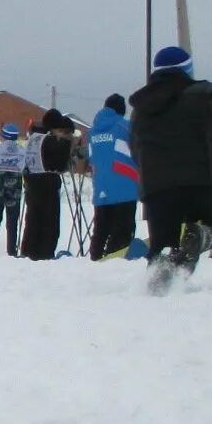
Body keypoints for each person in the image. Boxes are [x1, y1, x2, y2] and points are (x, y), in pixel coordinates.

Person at [128, 47, 212, 286]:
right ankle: (203, 236)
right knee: (204, 229)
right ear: (187, 69)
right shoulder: (204, 96)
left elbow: (136, 148)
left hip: (157, 187)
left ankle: (160, 289)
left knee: (163, 247)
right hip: (201, 182)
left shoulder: (141, 108)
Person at [87, 94, 141, 259]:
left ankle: (95, 260)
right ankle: (116, 264)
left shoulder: (92, 132)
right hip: (125, 186)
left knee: (101, 230)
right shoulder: (126, 127)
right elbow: (140, 150)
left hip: (101, 187)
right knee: (122, 232)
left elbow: (90, 158)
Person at [21, 110, 76, 260]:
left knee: (33, 221)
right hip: (47, 184)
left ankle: (28, 252)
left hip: (32, 182)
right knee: (49, 223)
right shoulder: (51, 141)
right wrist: (67, 144)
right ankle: (45, 254)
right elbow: (60, 165)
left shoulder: (34, 138)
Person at [0, 122, 27, 257]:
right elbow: (25, 169)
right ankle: (12, 251)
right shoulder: (21, 150)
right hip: (14, 191)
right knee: (12, 222)